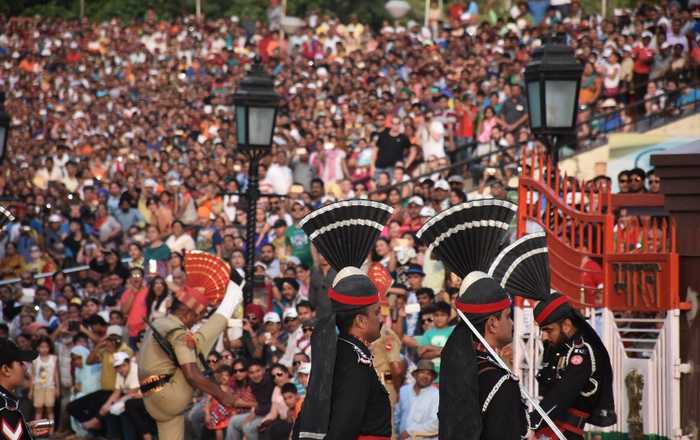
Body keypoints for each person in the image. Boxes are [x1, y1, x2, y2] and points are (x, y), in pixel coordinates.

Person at [137, 256, 244, 440]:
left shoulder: (157, 323)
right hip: (170, 397)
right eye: (198, 316)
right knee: (199, 341)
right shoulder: (178, 333)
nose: (197, 321)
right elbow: (191, 375)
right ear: (187, 313)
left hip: (151, 401)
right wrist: (221, 395)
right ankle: (232, 297)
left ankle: (231, 299)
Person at [294, 267, 391, 439]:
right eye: (376, 312)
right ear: (361, 321)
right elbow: (344, 424)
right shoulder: (354, 360)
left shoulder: (342, 351)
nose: (381, 319)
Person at [530, 293, 616, 439]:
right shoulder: (560, 346)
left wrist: (533, 421)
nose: (544, 337)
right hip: (551, 428)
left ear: (567, 325)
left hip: (566, 432)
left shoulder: (582, 351)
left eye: (548, 330)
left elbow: (563, 393)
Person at [0, 339, 51, 439]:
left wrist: (25, 428)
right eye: (20, 363)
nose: (25, 368)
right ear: (6, 369)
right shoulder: (7, 409)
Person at [396, 360, 440, 440]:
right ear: (415, 375)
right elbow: (397, 417)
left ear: (432, 378)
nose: (425, 376)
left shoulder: (436, 395)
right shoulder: (404, 391)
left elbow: (436, 423)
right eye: (422, 372)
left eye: (429, 374)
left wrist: (409, 432)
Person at [28, 336, 58, 434]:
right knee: (38, 411)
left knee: (50, 410)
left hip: (50, 387)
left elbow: (56, 374)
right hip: (38, 388)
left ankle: (51, 431)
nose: (44, 349)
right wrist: (31, 390)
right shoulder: (35, 360)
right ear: (37, 347)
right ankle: (38, 431)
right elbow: (32, 376)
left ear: (49, 347)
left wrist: (58, 388)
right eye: (41, 347)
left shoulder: (53, 359)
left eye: (46, 347)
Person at [205, 365, 236, 440]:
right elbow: (208, 402)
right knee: (218, 432)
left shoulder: (231, 390)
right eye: (221, 375)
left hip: (227, 415)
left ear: (231, 377)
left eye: (226, 375)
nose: (224, 377)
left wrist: (234, 415)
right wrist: (207, 414)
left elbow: (233, 405)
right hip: (216, 416)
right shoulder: (214, 388)